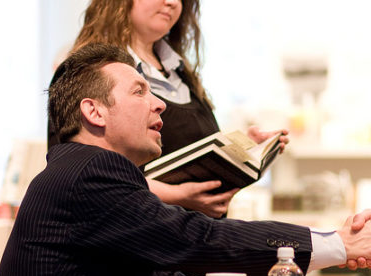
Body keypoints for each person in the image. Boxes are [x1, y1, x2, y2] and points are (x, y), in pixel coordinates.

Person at [0, 44, 371, 276]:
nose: (159, 105)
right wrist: (335, 244)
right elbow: (195, 238)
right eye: (139, 91)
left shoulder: (83, 172)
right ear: (94, 112)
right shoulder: (90, 172)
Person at [48, 0, 289, 218]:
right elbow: (79, 172)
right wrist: (177, 195)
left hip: (193, 240)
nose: (172, 3)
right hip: (141, 239)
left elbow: (189, 148)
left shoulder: (181, 73)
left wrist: (240, 151)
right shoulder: (87, 74)